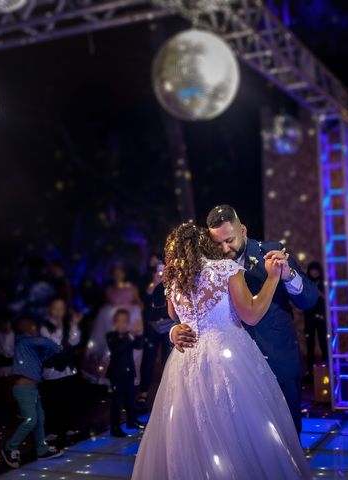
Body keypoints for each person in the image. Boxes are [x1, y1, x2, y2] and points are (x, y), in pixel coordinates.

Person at [132, 222, 311, 479]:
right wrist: (272, 279)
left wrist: (177, 329)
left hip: (186, 363)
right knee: (241, 430)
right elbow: (250, 314)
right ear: (204, 243)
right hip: (228, 357)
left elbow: (174, 315)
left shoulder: (174, 279)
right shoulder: (226, 269)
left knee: (194, 435)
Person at [171, 205, 318, 434]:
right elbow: (190, 307)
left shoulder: (271, 252)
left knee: (286, 438)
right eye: (217, 243)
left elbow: (309, 300)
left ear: (243, 230)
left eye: (229, 240)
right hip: (229, 373)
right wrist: (176, 329)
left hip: (276, 361)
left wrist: (287, 276)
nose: (224, 248)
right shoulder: (204, 265)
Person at [1, 317, 64, 469]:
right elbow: (45, 343)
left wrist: (53, 349)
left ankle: (41, 449)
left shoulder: (31, 349)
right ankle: (9, 448)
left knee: (39, 420)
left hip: (32, 389)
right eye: (30, 324)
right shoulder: (24, 341)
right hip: (24, 389)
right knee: (31, 420)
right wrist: (57, 346)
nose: (33, 327)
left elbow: (45, 353)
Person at [83, 264, 143, 385]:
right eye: (115, 273)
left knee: (127, 348)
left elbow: (139, 303)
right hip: (112, 321)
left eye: (120, 272)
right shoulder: (109, 290)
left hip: (128, 320)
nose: (118, 275)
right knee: (111, 348)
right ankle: (108, 378)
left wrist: (137, 315)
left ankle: (126, 378)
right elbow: (105, 305)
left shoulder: (131, 288)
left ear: (124, 273)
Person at [39, 298, 82, 437]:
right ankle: (50, 430)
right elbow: (53, 344)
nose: (58, 312)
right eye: (55, 308)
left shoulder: (68, 324)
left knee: (67, 399)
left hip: (67, 369)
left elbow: (75, 341)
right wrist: (59, 329)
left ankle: (68, 426)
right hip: (51, 370)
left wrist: (74, 325)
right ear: (50, 310)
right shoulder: (44, 326)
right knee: (52, 402)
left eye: (61, 308)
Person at [138, 262, 175, 410]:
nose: (161, 273)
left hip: (168, 326)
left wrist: (167, 284)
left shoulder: (172, 283)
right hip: (153, 326)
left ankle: (168, 392)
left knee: (168, 360)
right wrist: (154, 284)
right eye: (158, 270)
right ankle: (143, 391)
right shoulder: (149, 283)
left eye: (163, 269)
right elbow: (144, 302)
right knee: (148, 359)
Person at [106, 309, 144, 437]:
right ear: (115, 323)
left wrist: (138, 334)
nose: (122, 324)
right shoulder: (111, 336)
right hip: (117, 374)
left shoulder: (129, 336)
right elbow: (119, 349)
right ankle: (115, 428)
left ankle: (132, 421)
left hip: (129, 372)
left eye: (125, 322)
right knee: (117, 401)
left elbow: (139, 346)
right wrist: (131, 336)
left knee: (130, 398)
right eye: (120, 322)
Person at [303, 261, 328, 379]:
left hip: (322, 317)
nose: (314, 273)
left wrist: (319, 293)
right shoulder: (307, 282)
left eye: (316, 270)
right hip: (309, 317)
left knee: (324, 341)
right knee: (310, 343)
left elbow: (328, 299)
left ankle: (327, 366)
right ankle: (310, 371)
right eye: (312, 270)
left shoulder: (323, 283)